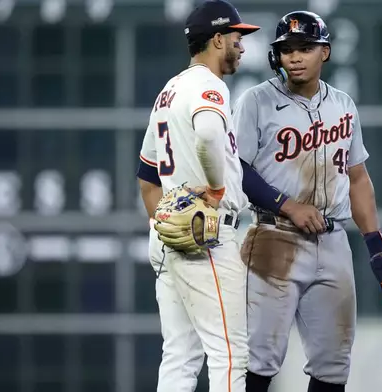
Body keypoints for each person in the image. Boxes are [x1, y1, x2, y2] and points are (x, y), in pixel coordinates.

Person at [232, 11, 382, 392]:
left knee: (334, 365)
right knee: (259, 361)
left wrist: (375, 244)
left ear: (324, 52)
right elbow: (235, 170)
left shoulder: (343, 104)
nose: (294, 56)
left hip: (334, 238)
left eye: (305, 48)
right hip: (275, 238)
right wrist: (288, 205)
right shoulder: (255, 102)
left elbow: (358, 178)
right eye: (286, 49)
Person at [135, 1, 260, 391]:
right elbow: (207, 134)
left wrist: (162, 228)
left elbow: (146, 177)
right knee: (230, 354)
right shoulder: (209, 85)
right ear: (217, 39)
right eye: (237, 38)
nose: (241, 46)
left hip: (174, 238)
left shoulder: (168, 92)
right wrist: (218, 190)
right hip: (206, 238)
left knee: (179, 357)